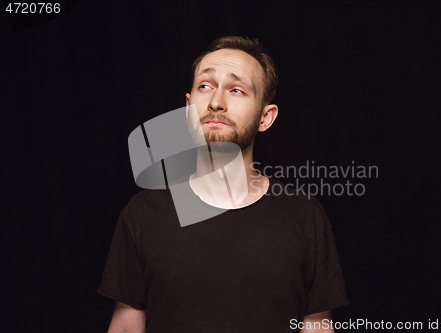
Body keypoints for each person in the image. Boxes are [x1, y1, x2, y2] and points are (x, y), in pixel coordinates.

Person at [98, 36, 349, 332]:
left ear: (265, 118)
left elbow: (317, 329)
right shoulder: (142, 214)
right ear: (188, 107)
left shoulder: (304, 216)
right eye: (205, 86)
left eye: (237, 89)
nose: (216, 102)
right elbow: (127, 328)